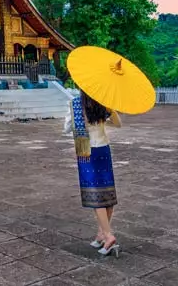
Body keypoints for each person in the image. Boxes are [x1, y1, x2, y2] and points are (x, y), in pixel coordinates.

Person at [64, 90, 120, 257]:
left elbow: (67, 128)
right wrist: (111, 108)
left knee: (95, 195)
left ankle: (109, 236)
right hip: (103, 149)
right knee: (107, 192)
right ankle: (101, 233)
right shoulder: (103, 103)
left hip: (87, 151)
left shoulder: (76, 105)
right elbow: (118, 124)